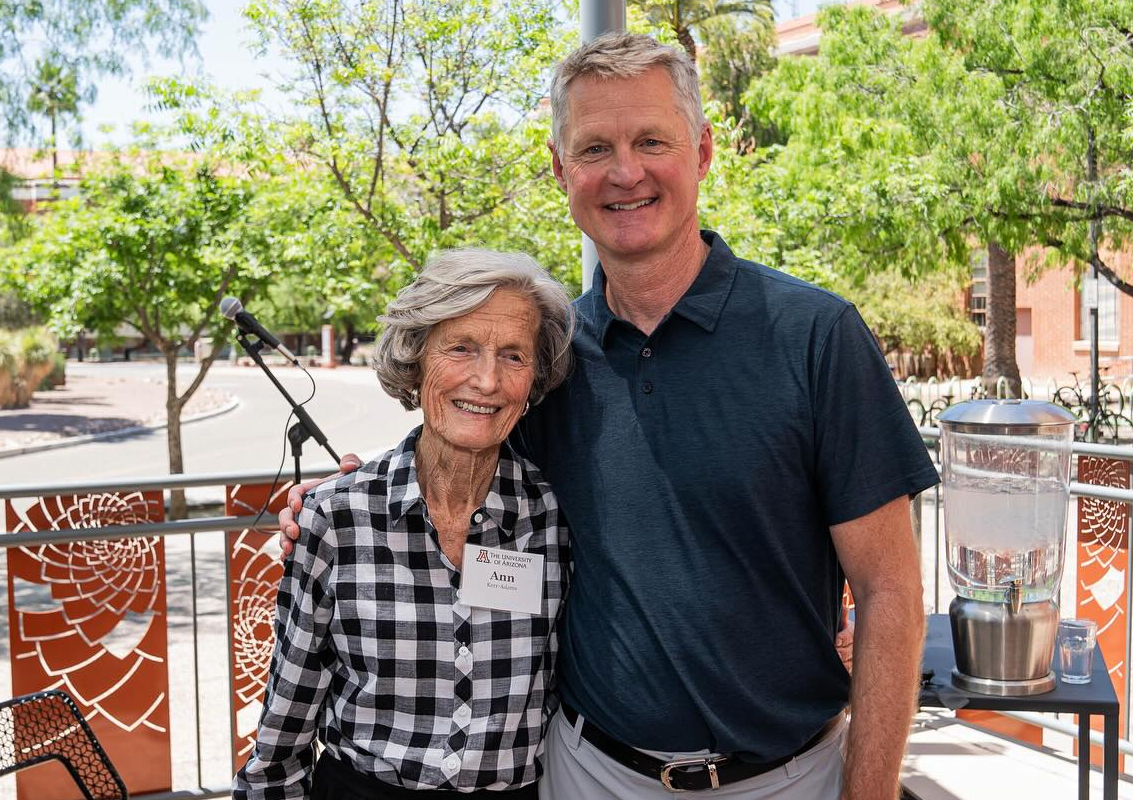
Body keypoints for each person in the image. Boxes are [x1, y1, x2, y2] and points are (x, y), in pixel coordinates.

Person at [281, 34, 937, 800]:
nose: (626, 172)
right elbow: (452, 466)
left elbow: (891, 591)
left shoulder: (816, 336)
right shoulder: (547, 361)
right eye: (595, 148)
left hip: (789, 778)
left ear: (702, 150)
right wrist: (338, 503)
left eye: (651, 141)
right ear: (562, 171)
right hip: (589, 774)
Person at [234, 249, 574, 799]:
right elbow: (285, 729)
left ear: (534, 380)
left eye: (514, 356)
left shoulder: (555, 520)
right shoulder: (336, 519)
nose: (486, 380)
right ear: (416, 361)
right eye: (461, 348)